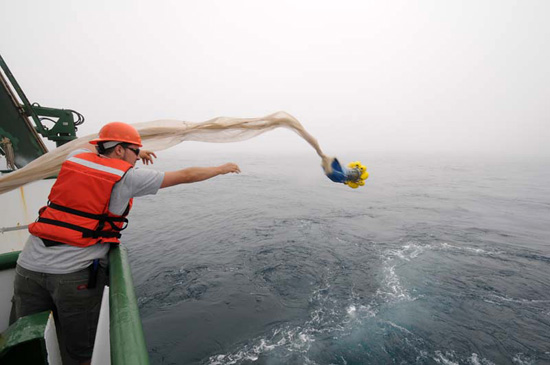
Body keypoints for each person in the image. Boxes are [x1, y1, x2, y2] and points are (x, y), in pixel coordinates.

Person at [12, 121, 240, 364]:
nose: (136, 158)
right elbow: (185, 175)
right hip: (71, 275)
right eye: (134, 151)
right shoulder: (128, 178)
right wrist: (221, 168)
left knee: (24, 342)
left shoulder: (75, 157)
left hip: (27, 268)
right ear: (120, 150)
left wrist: (134, 151)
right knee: (81, 352)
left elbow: (96, 151)